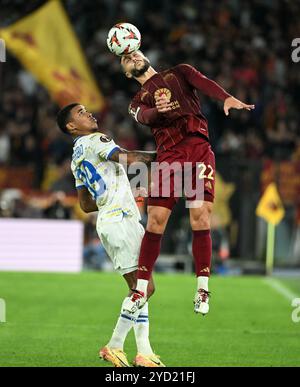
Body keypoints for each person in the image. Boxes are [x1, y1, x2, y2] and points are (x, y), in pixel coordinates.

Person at [120, 51, 255, 315]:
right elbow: (144, 117)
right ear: (126, 72)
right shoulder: (136, 101)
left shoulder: (179, 72)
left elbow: (203, 81)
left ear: (145, 54)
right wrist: (157, 110)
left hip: (197, 150)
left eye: (135, 52)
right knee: (155, 220)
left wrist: (225, 97)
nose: (132, 57)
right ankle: (140, 290)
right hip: (169, 157)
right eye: (126, 59)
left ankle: (202, 290)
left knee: (201, 218)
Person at [56, 103, 165, 367]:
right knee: (145, 288)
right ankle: (114, 345)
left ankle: (145, 352)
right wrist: (164, 155)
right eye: (81, 113)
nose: (89, 114)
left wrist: (114, 195)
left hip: (111, 218)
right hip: (120, 220)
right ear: (71, 127)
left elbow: (85, 204)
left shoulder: (75, 157)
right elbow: (126, 157)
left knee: (139, 287)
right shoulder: (96, 140)